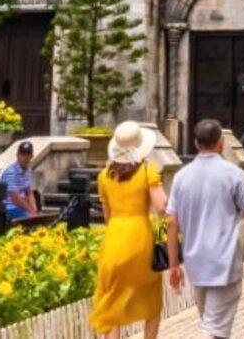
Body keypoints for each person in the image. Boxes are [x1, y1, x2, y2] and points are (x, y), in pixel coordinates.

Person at [166, 118, 244, 339]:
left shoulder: (181, 177)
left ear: (195, 143)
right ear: (221, 142)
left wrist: (173, 265)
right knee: (213, 331)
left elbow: (171, 222)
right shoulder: (233, 174)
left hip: (195, 264)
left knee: (212, 326)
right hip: (223, 263)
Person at [89, 121, 167, 338]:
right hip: (140, 239)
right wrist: (166, 234)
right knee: (152, 302)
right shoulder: (147, 171)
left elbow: (107, 217)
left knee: (112, 303)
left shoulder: (104, 176)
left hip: (113, 241)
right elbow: (162, 208)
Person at [0, 141, 39, 220]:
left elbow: (29, 192)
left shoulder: (28, 170)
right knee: (30, 219)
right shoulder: (11, 172)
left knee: (41, 219)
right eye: (23, 154)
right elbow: (15, 198)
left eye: (28, 154)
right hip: (9, 207)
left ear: (32, 156)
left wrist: (34, 210)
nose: (26, 157)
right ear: (17, 155)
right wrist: (30, 211)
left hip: (22, 207)